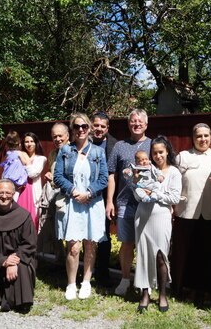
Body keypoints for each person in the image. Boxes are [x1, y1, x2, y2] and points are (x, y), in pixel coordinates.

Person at [54, 113, 108, 300]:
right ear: (72, 129)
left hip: (92, 203)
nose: (81, 130)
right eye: (77, 126)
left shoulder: (98, 152)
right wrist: (74, 191)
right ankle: (71, 284)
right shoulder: (65, 151)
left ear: (89, 128)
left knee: (91, 245)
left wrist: (89, 193)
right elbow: (58, 176)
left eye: (84, 126)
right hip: (73, 203)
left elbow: (103, 179)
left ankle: (86, 282)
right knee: (73, 247)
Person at [171, 123, 211, 303]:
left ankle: (207, 290)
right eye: (199, 136)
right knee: (187, 252)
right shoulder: (183, 157)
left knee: (207, 254)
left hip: (210, 213)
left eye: (206, 135)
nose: (203, 139)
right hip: (187, 212)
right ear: (193, 138)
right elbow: (173, 181)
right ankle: (186, 288)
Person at [106, 109, 152, 296]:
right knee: (126, 243)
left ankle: (143, 282)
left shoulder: (153, 144)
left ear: (146, 124)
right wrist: (110, 201)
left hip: (148, 203)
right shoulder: (119, 146)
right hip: (125, 202)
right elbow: (111, 175)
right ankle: (125, 280)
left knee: (144, 244)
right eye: (133, 121)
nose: (136, 124)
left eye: (140, 121)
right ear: (129, 124)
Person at [134, 135, 182, 313]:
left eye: (161, 152)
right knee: (143, 255)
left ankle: (162, 294)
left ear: (167, 151)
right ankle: (145, 293)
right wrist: (139, 189)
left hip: (161, 217)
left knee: (161, 256)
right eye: (154, 153)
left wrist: (155, 194)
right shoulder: (146, 169)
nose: (158, 156)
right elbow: (136, 194)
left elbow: (174, 197)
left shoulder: (174, 172)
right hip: (142, 216)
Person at [0, 179, 37, 313]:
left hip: (19, 260)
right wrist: (3, 261)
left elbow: (29, 243)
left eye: (8, 193)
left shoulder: (24, 216)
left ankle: (22, 302)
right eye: (1, 192)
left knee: (22, 266)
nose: (4, 196)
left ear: (14, 193)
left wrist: (13, 260)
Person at [91, 111, 118, 288]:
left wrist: (110, 201)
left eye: (103, 126)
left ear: (107, 128)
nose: (99, 129)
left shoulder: (114, 145)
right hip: (83, 196)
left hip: (103, 198)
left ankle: (102, 273)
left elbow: (112, 175)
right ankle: (85, 271)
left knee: (103, 236)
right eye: (96, 125)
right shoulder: (82, 142)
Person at [37, 123, 69, 257]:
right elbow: (53, 173)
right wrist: (50, 176)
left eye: (60, 136)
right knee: (56, 229)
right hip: (56, 197)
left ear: (67, 136)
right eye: (54, 136)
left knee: (69, 232)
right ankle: (60, 259)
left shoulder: (74, 152)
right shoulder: (52, 154)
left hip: (70, 197)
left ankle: (70, 260)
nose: (57, 139)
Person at [17, 132, 47, 231]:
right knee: (19, 218)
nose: (29, 144)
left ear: (36, 143)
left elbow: (33, 174)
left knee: (34, 220)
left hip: (33, 192)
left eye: (31, 141)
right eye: (26, 142)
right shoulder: (18, 158)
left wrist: (26, 161)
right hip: (21, 191)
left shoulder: (41, 159)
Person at [0, 131, 30, 201]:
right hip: (17, 177)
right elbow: (24, 162)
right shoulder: (19, 153)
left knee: (8, 193)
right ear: (18, 143)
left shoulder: (8, 153)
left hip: (8, 176)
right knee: (15, 194)